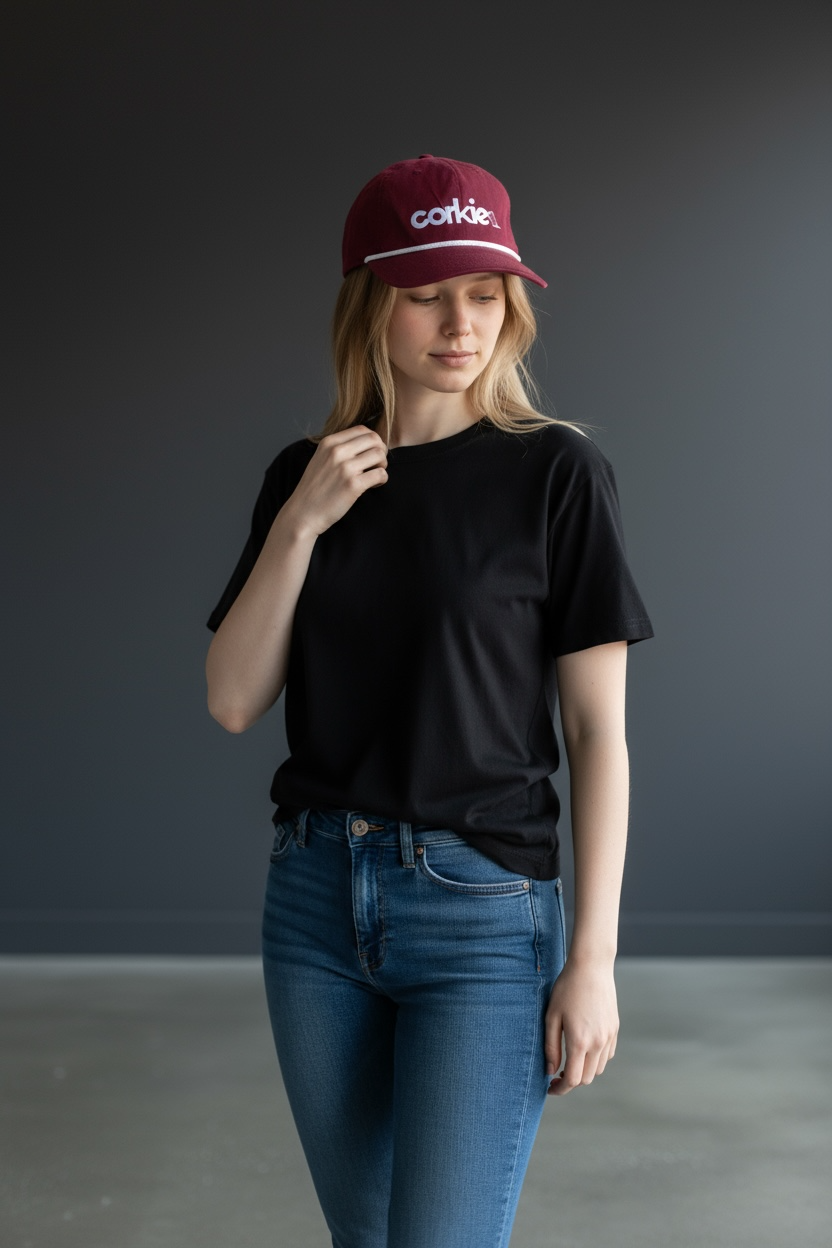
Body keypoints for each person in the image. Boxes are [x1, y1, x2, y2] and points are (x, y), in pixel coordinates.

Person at [205, 154, 653, 1248]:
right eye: (426, 295)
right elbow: (231, 699)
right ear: (369, 301)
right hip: (313, 903)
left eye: (486, 292)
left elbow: (598, 737)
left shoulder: (555, 474)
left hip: (481, 914)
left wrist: (590, 961)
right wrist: (302, 523)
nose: (463, 323)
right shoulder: (301, 478)